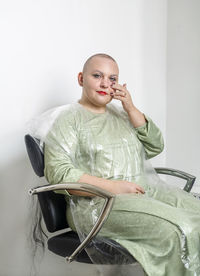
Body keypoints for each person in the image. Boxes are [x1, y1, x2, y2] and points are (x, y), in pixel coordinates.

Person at [44, 53, 200, 276]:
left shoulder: (121, 115)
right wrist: (113, 187)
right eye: (97, 75)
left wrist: (130, 106)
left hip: (144, 192)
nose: (105, 83)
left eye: (112, 79)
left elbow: (155, 146)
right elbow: (59, 173)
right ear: (81, 78)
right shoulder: (68, 120)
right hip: (98, 204)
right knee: (181, 229)